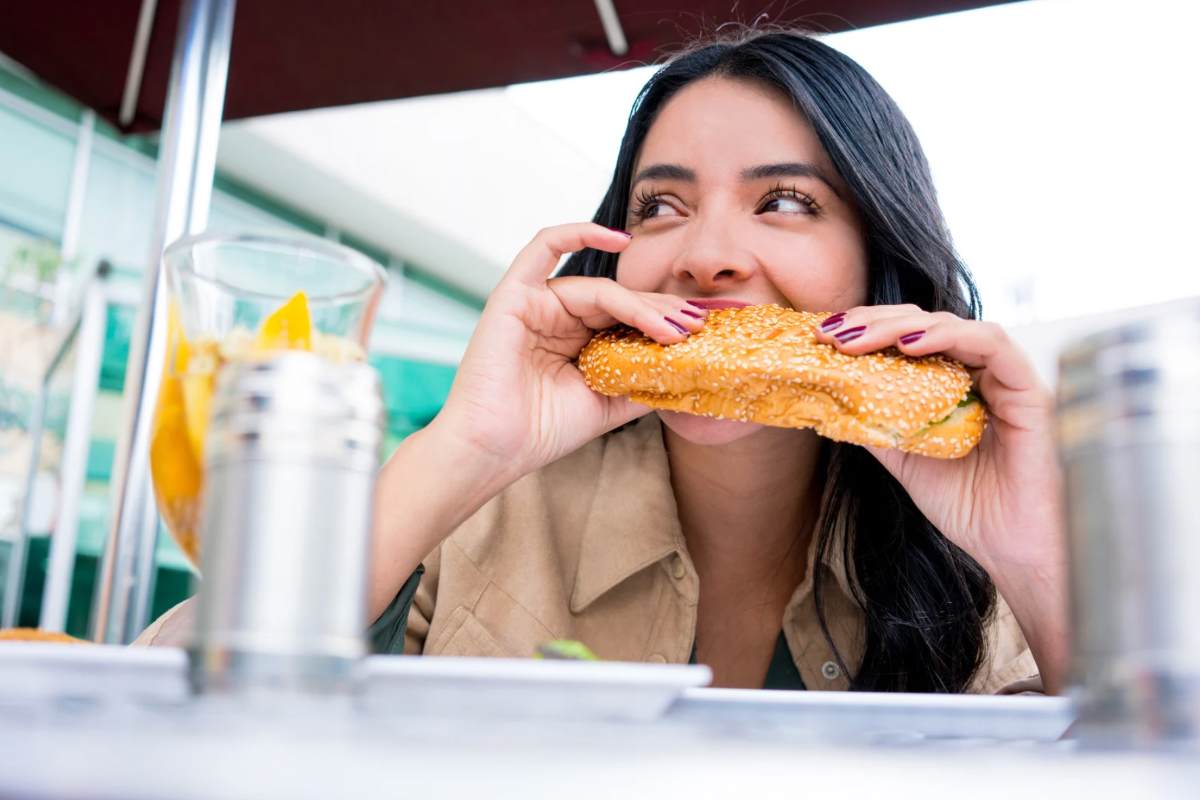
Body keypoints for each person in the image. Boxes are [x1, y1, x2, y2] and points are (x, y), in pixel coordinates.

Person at [139, 30, 1067, 695]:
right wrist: (462, 449)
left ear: (879, 263)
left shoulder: (978, 557)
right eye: (660, 206)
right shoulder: (478, 517)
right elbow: (164, 724)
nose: (706, 254)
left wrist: (1031, 555)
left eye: (783, 200)